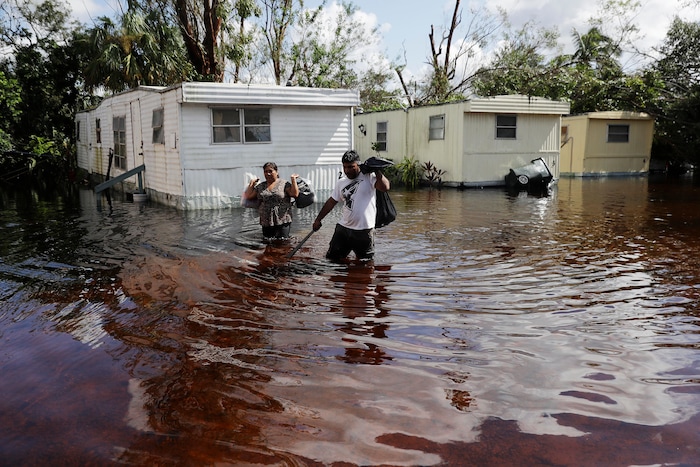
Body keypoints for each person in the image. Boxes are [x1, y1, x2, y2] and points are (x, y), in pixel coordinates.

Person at [312, 150, 391, 261]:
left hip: (364, 230)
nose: (347, 171)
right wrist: (318, 219)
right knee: (332, 259)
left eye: (351, 167)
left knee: (365, 264)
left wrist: (377, 170)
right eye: (345, 167)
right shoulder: (341, 182)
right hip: (344, 228)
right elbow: (331, 202)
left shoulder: (369, 176)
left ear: (358, 164)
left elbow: (385, 187)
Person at [244, 162, 299, 241]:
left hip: (282, 219)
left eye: (270, 171)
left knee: (282, 242)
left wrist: (293, 180)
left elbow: (295, 194)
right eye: (266, 171)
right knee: (267, 242)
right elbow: (249, 196)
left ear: (276, 172)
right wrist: (252, 183)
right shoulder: (261, 186)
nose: (268, 174)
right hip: (266, 220)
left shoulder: (284, 184)